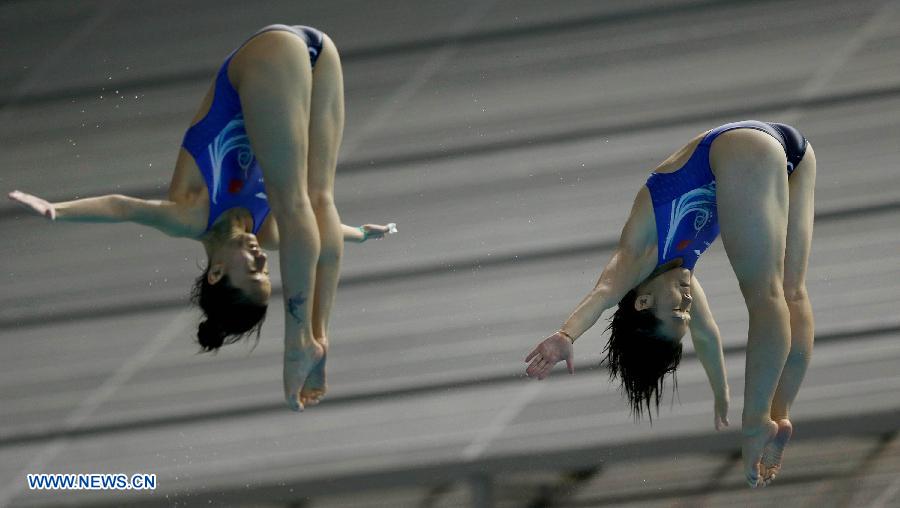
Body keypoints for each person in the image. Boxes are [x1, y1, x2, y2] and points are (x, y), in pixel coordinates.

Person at [9, 24, 396, 413]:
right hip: (320, 53)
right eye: (267, 273)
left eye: (255, 272)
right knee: (319, 203)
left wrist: (58, 211)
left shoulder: (191, 215)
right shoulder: (268, 231)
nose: (263, 260)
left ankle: (299, 342)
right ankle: (319, 337)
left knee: (296, 205)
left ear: (216, 272)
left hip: (270, 54)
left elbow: (121, 207)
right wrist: (358, 234)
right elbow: (322, 234)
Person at [524, 120, 816, 488]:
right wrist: (721, 391)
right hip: (796, 155)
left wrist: (566, 334)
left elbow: (603, 293)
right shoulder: (682, 275)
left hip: (741, 150)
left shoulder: (640, 254)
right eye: (686, 312)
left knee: (766, 295)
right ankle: (779, 413)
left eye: (678, 310)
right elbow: (708, 337)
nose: (689, 302)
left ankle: (756, 422)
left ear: (642, 302)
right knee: (793, 294)